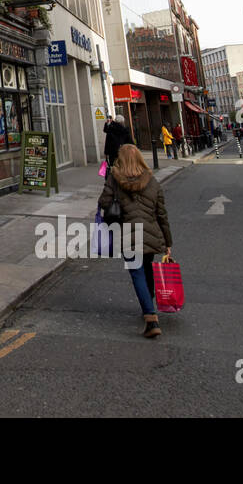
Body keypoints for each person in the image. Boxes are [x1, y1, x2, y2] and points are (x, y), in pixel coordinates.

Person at [98, 143, 173, 338]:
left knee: (137, 273)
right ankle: (149, 302)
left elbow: (103, 203)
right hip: (150, 232)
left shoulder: (114, 180)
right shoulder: (152, 181)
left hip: (128, 234)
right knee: (146, 269)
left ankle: (151, 318)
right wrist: (168, 242)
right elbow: (161, 214)